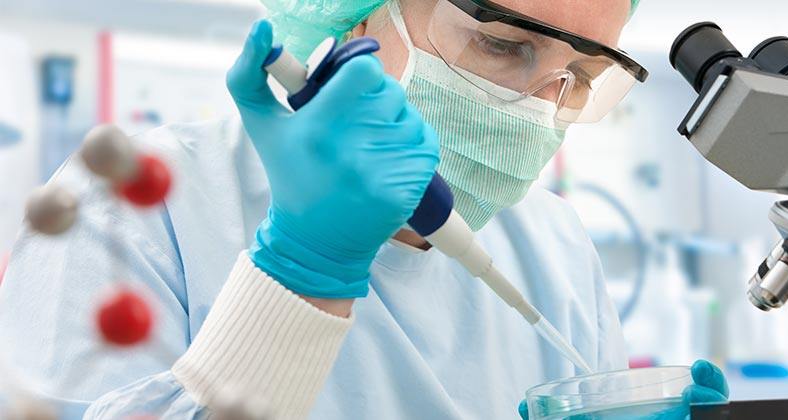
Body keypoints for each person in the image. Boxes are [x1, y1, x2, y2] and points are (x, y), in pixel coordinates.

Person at [0, 0, 729, 418]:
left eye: (578, 77)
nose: (536, 109)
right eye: (503, 45)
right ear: (355, 23)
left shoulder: (555, 242)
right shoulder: (137, 199)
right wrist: (301, 276)